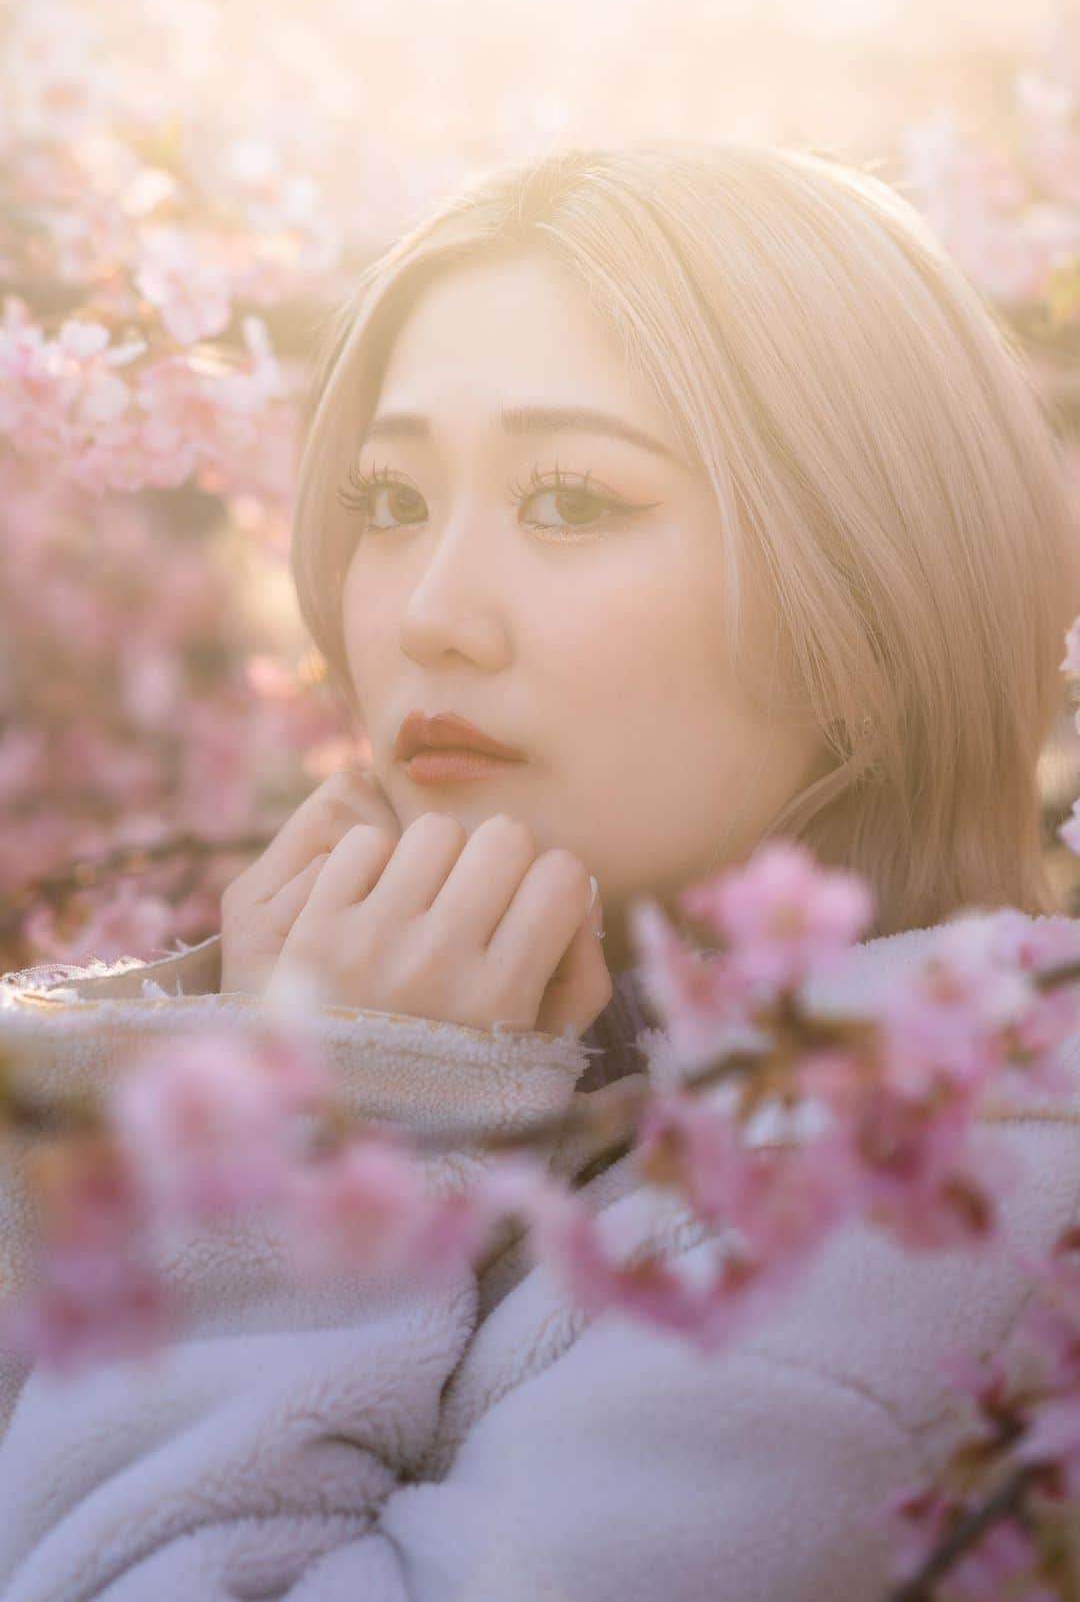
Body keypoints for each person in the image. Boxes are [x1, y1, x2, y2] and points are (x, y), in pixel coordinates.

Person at [2, 138, 1080, 1601]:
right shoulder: (558, 1066)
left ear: (870, 619)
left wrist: (324, 1130)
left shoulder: (920, 1194)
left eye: (572, 500)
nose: (432, 614)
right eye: (389, 502)